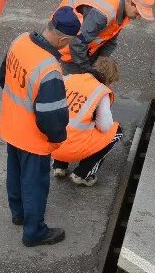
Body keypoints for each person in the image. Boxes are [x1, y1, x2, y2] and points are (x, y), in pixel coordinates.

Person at [0, 7, 80, 247]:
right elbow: (51, 117)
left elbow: (2, 77)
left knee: (15, 172)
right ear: (63, 39)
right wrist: (58, 138)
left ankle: (19, 214)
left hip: (11, 125)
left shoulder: (21, 40)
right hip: (33, 138)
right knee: (35, 184)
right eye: (70, 42)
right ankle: (34, 232)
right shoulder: (49, 69)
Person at [51, 56, 123, 187]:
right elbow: (105, 126)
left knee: (63, 123)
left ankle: (59, 166)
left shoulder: (69, 78)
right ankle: (82, 174)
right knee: (116, 131)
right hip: (72, 149)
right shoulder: (100, 91)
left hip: (51, 145)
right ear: (109, 79)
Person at [56, 0, 155, 72]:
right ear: (129, 2)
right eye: (137, 13)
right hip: (67, 41)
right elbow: (77, 44)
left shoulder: (123, 2)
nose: (137, 18)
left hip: (82, 38)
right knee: (77, 85)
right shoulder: (103, 14)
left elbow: (111, 35)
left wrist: (102, 60)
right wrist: (87, 70)